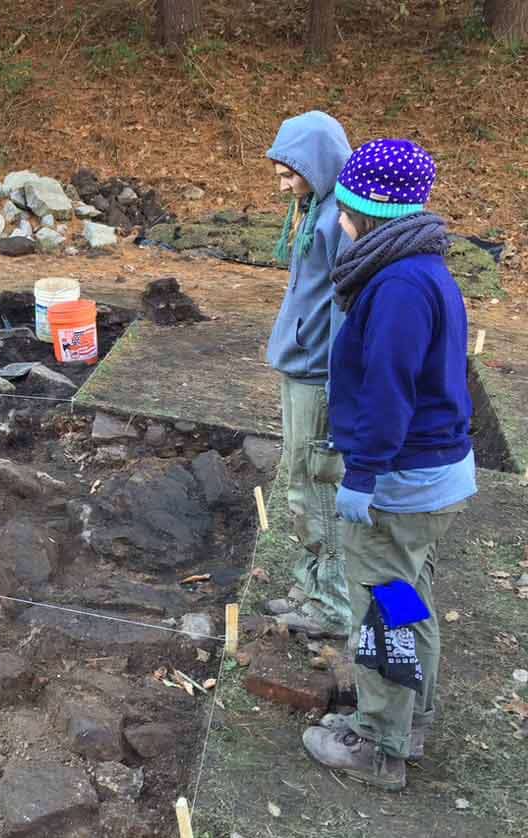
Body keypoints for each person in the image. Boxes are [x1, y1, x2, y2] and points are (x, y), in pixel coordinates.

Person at [302, 139, 477, 791]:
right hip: (432, 477)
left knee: (381, 604)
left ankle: (378, 745)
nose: (338, 221)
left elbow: (387, 389)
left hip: (401, 482)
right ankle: (411, 719)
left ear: (363, 210)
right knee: (407, 599)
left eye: (344, 207)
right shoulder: (419, 266)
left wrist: (363, 475)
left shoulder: (400, 285)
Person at [264, 111, 353, 635]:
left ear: (317, 164)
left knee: (316, 488)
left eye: (289, 174)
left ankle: (332, 604)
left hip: (319, 377)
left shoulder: (339, 219)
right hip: (299, 366)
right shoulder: (313, 208)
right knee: (297, 482)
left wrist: (340, 390)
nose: (282, 185)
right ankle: (311, 580)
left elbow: (344, 310)